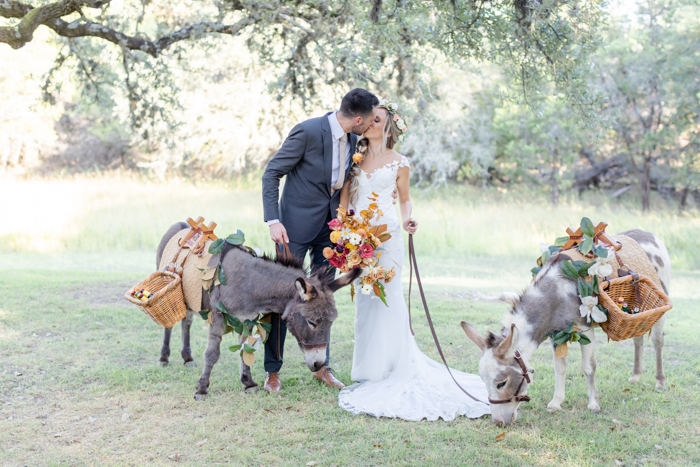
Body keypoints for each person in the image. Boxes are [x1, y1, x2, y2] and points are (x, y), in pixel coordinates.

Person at [336, 99, 491, 421]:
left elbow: (405, 201)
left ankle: (394, 367)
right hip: (358, 238)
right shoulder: (355, 158)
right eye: (369, 120)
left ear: (388, 127)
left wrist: (408, 220)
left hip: (388, 238)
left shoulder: (399, 162)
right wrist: (344, 231)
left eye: (377, 121)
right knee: (366, 302)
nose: (370, 125)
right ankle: (369, 370)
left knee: (389, 299)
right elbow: (344, 199)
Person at [261, 88, 379, 392]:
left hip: (330, 232)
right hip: (292, 231)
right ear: (356, 118)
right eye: (368, 121)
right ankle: (273, 370)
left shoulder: (354, 140)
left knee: (323, 300)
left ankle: (322, 367)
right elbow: (271, 173)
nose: (370, 126)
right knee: (283, 300)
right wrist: (273, 220)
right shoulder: (308, 131)